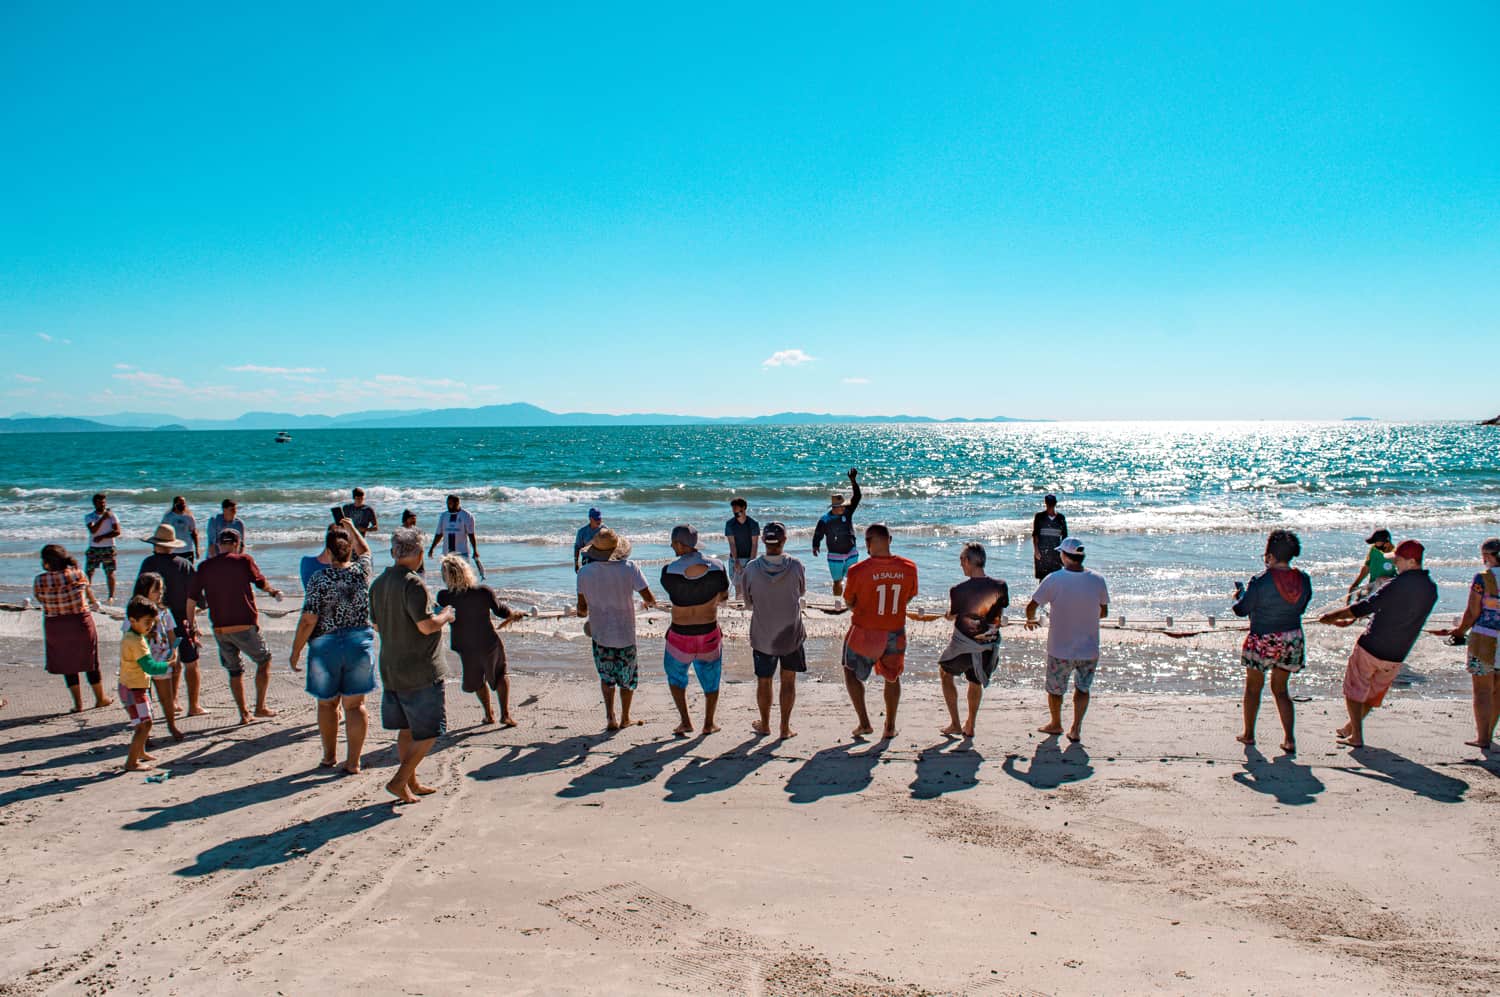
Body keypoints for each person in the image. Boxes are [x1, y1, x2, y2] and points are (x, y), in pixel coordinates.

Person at [1319, 539, 1438, 748]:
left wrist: (1332, 616)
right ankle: (1351, 728)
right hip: (1398, 653)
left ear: (1411, 561)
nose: (1395, 565)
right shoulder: (1431, 589)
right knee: (1372, 695)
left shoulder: (1397, 585)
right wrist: (1348, 621)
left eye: (1398, 561)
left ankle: (1356, 735)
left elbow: (1367, 606)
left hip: (1372, 645)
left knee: (1353, 690)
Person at [371, 528, 455, 804]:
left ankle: (410, 781)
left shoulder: (379, 583)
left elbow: (375, 623)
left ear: (395, 552)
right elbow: (426, 626)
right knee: (430, 732)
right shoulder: (412, 583)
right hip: (419, 668)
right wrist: (445, 616)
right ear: (419, 554)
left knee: (407, 729)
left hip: (391, 665)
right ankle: (399, 779)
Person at [289, 523, 375, 773]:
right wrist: (350, 527)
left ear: (328, 551)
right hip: (358, 642)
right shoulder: (362, 572)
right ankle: (354, 761)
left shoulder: (319, 579)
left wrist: (296, 650)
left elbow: (308, 619)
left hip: (325, 645)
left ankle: (329, 756)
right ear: (350, 551)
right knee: (355, 706)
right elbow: (366, 549)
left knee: (327, 704)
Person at [186, 529, 283, 725]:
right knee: (264, 660)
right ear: (237, 543)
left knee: (234, 670)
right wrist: (273, 592)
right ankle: (260, 707)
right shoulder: (244, 561)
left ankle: (244, 713)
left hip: (220, 628)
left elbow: (191, 600)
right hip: (244, 624)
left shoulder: (205, 566)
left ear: (218, 545)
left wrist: (191, 626)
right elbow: (260, 582)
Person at [1230, 530, 1312, 754]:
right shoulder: (1303, 579)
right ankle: (1289, 739)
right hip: (1291, 638)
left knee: (1254, 688)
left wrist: (1240, 595)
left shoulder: (1260, 580)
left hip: (1262, 638)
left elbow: (1241, 610)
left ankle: (1248, 734)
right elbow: (1302, 607)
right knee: (1281, 690)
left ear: (1271, 556)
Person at [1025, 537, 1108, 742]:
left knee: (1055, 689)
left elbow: (1032, 605)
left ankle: (1056, 723)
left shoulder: (1054, 579)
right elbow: (1103, 612)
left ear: (1064, 557)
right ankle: (1076, 728)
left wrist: (1031, 620)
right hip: (1089, 648)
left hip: (1060, 648)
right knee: (1082, 688)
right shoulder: (1098, 580)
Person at [841, 523, 918, 739]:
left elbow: (849, 601)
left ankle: (864, 722)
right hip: (895, 630)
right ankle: (890, 726)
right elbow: (908, 597)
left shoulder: (857, 570)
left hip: (866, 631)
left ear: (867, 542)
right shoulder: (909, 567)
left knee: (850, 669)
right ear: (890, 540)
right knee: (892, 677)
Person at [576, 527, 656, 730]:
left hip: (600, 634)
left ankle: (610, 716)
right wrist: (645, 603)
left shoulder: (584, 573)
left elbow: (582, 610)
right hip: (625, 634)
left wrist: (583, 611)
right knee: (627, 679)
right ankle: (625, 717)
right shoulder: (630, 568)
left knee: (606, 677)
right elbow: (650, 599)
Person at [437, 554, 525, 727]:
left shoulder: (443, 597)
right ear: (466, 571)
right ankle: (505, 714)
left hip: (465, 645)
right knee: (500, 675)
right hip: (488, 642)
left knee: (477, 680)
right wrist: (515, 614)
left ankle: (488, 714)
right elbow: (501, 611)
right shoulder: (483, 592)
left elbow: (440, 616)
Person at [660, 524, 729, 736]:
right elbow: (724, 597)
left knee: (676, 678)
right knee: (711, 679)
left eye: (673, 543)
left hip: (680, 634)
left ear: (680, 545)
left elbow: (678, 592)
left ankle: (685, 721)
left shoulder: (668, 572)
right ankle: (709, 723)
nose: (672, 546)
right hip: (708, 632)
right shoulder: (718, 567)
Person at [1433, 537, 1500, 750]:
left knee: (1482, 690)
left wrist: (1459, 632)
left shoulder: (1483, 578)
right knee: (1498, 690)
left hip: (1484, 638)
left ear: (1488, 556)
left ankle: (1483, 738)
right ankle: (1489, 732)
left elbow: (1473, 612)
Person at [741, 522, 806, 740]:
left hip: (763, 634)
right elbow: (801, 592)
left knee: (764, 680)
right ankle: (784, 727)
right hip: (791, 633)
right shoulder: (796, 566)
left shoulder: (751, 568)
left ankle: (766, 724)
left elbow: (748, 603)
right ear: (785, 540)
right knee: (788, 680)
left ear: (762, 541)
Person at [938, 542, 1008, 738]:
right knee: (974, 681)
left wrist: (949, 615)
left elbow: (952, 615)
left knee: (944, 672)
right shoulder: (1001, 586)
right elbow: (998, 614)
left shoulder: (958, 590)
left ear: (969, 561)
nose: (960, 564)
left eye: (962, 559)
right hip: (988, 646)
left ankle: (955, 723)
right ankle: (970, 724)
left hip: (965, 647)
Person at [138, 524, 205, 719]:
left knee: (159, 663)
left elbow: (138, 596)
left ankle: (170, 702)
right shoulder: (183, 564)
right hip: (181, 621)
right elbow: (197, 596)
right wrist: (193, 623)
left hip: (153, 622)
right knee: (190, 662)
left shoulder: (148, 564)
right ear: (172, 545)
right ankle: (193, 705)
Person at [34, 544, 110, 712]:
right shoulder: (78, 574)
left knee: (67, 664)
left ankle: (78, 704)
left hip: (55, 624)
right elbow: (86, 594)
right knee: (90, 661)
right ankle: (100, 698)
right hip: (80, 622)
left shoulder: (40, 580)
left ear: (46, 563)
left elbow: (40, 600)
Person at [119, 597, 173, 771]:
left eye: (152, 622)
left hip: (126, 686)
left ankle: (140, 752)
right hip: (136, 688)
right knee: (145, 724)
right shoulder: (137, 642)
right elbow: (150, 667)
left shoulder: (129, 636)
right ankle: (131, 762)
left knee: (139, 723)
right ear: (132, 620)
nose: (150, 626)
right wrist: (168, 664)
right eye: (147, 622)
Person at [130, 572, 184, 742]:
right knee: (144, 699)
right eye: (156, 590)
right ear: (145, 590)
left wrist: (175, 652)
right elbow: (130, 636)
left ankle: (171, 724)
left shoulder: (163, 612)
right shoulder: (134, 613)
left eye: (161, 589)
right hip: (141, 660)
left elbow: (171, 634)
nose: (160, 593)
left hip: (161, 658)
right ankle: (144, 733)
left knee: (166, 696)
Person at [812, 468, 862, 597]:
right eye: (841, 506)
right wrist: (815, 545)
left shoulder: (847, 511)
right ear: (835, 508)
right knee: (837, 581)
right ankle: (837, 602)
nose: (844, 507)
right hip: (835, 554)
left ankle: (850, 602)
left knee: (853, 579)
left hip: (851, 551)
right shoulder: (825, 520)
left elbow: (857, 497)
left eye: (844, 505)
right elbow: (818, 534)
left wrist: (853, 481)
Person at [301, 519, 372, 589]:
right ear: (350, 549)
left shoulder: (308, 565)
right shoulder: (359, 573)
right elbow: (365, 552)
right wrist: (352, 529)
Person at [429, 494, 482, 576]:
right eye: (447, 503)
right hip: (447, 554)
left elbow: (471, 534)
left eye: (450, 503)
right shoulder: (443, 516)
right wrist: (432, 548)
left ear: (457, 503)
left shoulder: (467, 515)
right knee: (447, 576)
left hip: (462, 553)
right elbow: (439, 534)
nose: (448, 505)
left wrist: (475, 550)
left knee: (462, 577)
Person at [84, 492, 121, 601]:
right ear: (94, 504)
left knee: (110, 572)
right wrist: (103, 518)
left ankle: (111, 596)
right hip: (94, 547)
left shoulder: (112, 516)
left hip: (109, 547)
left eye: (104, 502)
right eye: (100, 502)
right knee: (89, 572)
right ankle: (88, 596)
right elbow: (93, 530)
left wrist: (102, 537)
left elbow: (117, 531)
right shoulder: (89, 516)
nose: (103, 505)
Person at [723, 498, 761, 600]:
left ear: (743, 508)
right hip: (735, 558)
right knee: (738, 588)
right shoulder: (730, 524)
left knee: (748, 587)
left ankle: (748, 606)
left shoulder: (753, 524)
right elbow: (732, 544)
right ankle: (739, 606)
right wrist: (736, 561)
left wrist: (751, 562)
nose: (734, 510)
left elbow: (754, 544)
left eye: (736, 507)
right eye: (733, 508)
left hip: (749, 557)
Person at [1346, 528, 1397, 602]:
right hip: (1373, 587)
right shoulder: (1374, 550)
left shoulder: (1396, 554)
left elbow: (1402, 577)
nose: (1375, 545)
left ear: (1387, 542)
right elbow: (1366, 568)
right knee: (1359, 598)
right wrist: (1355, 585)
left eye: (1377, 543)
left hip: (1388, 589)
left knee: (1381, 580)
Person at [1031, 494, 1068, 581]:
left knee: (1057, 578)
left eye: (1051, 503)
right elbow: (1035, 534)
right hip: (1042, 552)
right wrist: (1036, 550)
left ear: (1055, 504)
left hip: (1056, 552)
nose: (1050, 506)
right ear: (1045, 503)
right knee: (1043, 579)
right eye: (1048, 503)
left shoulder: (1060, 518)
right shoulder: (1039, 517)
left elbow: (1065, 537)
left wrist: (1064, 554)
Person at [161, 496, 200, 561]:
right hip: (173, 550)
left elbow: (194, 533)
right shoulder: (168, 517)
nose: (183, 505)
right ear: (175, 504)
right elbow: (163, 533)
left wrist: (197, 549)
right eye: (181, 503)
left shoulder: (189, 517)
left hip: (187, 549)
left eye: (184, 503)